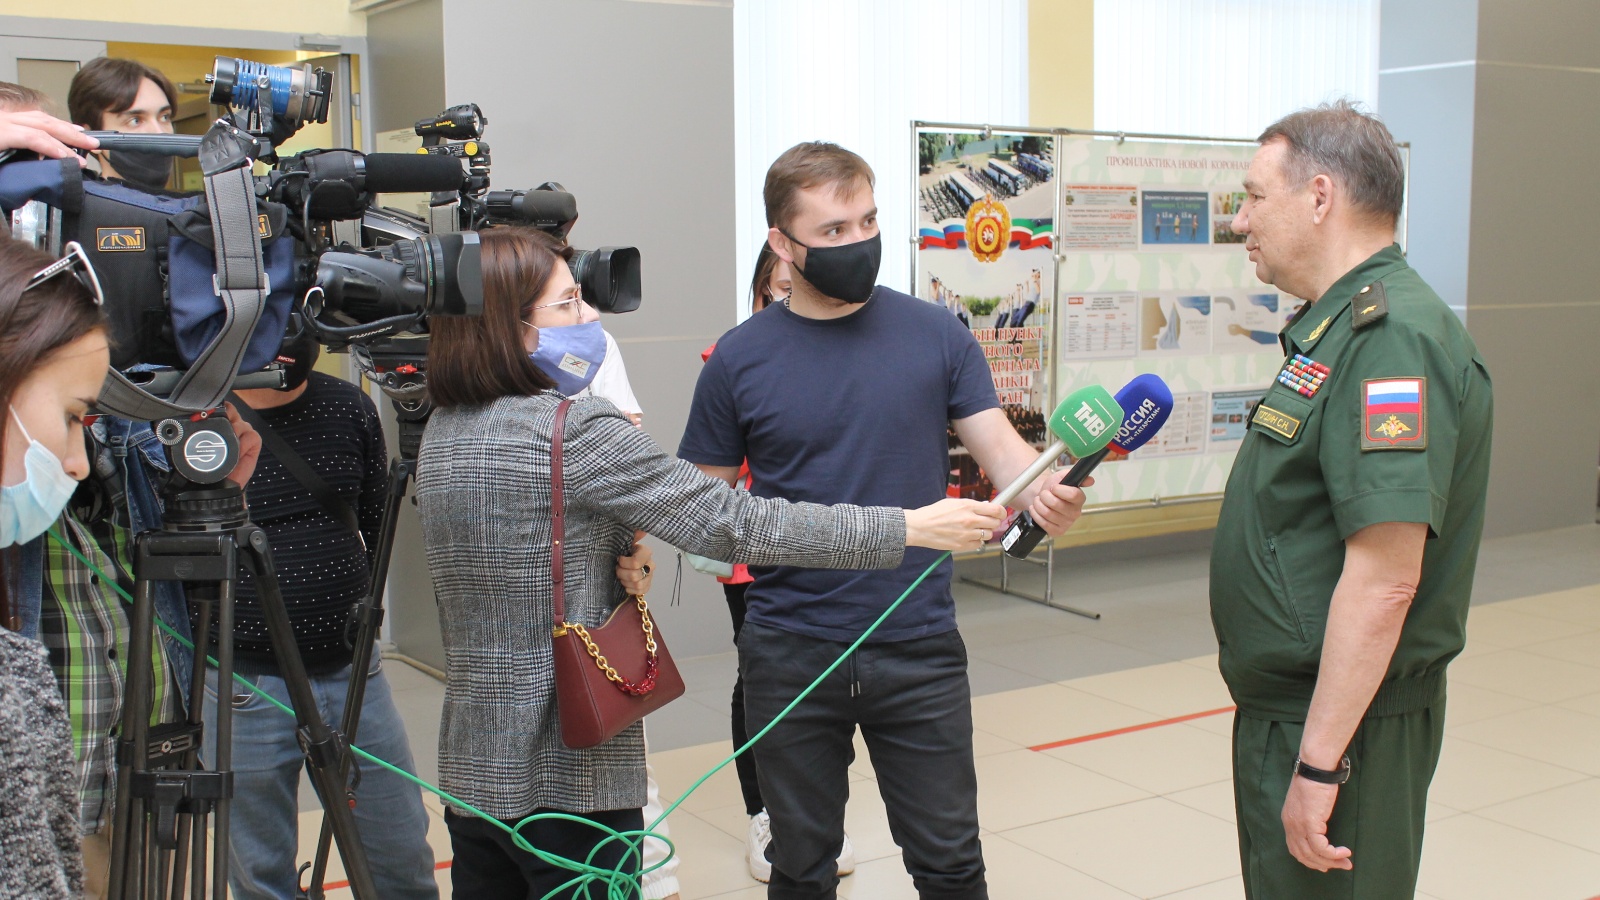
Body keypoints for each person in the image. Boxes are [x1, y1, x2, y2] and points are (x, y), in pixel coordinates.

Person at [415, 226, 1001, 900]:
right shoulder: (572, 427)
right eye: (569, 303)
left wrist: (614, 554)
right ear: (509, 328)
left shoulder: (444, 427)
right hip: (568, 774)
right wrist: (905, 527)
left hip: (474, 770)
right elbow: (734, 522)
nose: (590, 316)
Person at [679, 141, 1091, 900]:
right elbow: (700, 516)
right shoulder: (737, 361)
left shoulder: (936, 334)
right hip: (790, 647)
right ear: (782, 243)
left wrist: (1046, 495)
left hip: (918, 643)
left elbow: (1007, 457)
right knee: (801, 866)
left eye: (868, 222)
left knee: (951, 862)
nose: (858, 242)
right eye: (833, 230)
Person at [1212, 100, 1492, 899]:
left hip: (1345, 724)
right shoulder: (1340, 327)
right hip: (1307, 708)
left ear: (1320, 197)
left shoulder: (1389, 338)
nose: (1239, 221)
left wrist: (1319, 763)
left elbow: (1385, 580)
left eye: (1254, 196)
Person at [197, 330, 438, 900]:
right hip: (245, 683)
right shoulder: (203, 423)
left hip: (353, 673)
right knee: (261, 877)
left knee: (401, 856)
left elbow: (376, 523)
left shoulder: (349, 405)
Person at [700, 246, 858, 883]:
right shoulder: (735, 357)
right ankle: (764, 811)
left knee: (835, 678)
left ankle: (819, 814)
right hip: (758, 552)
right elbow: (711, 478)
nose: (790, 299)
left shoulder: (846, 354)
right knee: (762, 678)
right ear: (761, 291)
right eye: (778, 289)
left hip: (841, 543)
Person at [67, 57, 177, 190]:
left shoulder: (192, 202)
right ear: (90, 136)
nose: (160, 132)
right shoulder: (80, 203)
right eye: (135, 121)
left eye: (164, 117)